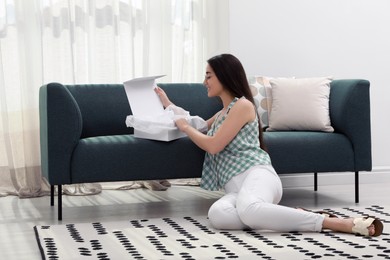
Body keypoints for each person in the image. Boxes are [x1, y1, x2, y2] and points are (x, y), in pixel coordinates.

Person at [154, 53, 383, 237]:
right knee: (218, 215)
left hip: (258, 176)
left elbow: (212, 145)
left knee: (249, 210)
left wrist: (184, 127)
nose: (204, 82)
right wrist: (168, 104)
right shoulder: (223, 112)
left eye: (209, 76)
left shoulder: (242, 106)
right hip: (237, 189)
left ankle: (333, 223)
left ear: (224, 76)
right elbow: (198, 125)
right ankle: (287, 215)